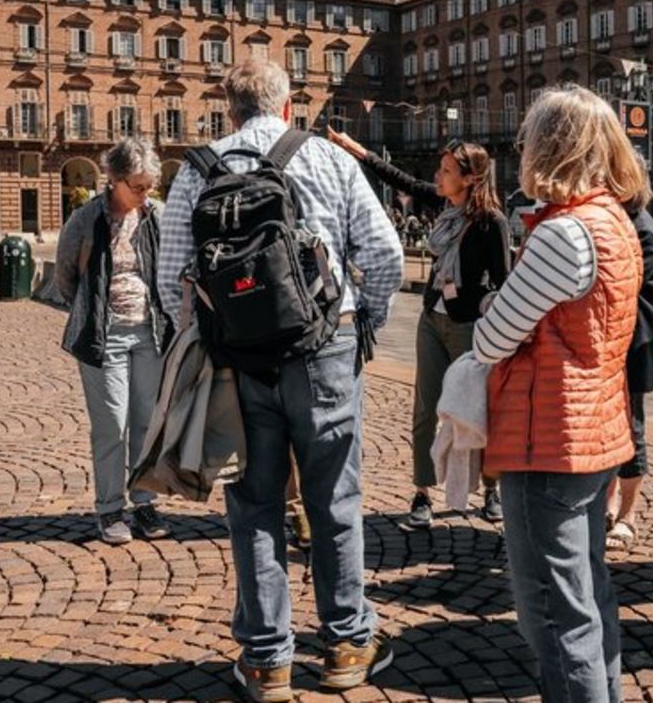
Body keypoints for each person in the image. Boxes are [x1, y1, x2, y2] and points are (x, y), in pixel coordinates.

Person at [158, 60, 403, 703]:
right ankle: (347, 645)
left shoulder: (196, 169)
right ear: (288, 106)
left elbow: (171, 278)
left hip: (237, 360)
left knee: (255, 504)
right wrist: (361, 322)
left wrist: (206, 337)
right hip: (324, 348)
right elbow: (384, 256)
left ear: (228, 110)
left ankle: (268, 662)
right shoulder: (326, 158)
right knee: (333, 500)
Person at [472, 85, 646, 703]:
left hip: (548, 437)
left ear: (546, 146)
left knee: (552, 611)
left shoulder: (563, 234)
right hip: (595, 428)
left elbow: (493, 336)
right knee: (587, 594)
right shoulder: (614, 222)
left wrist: (495, 303)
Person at [327, 126, 511, 527]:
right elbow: (399, 179)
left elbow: (504, 284)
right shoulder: (442, 207)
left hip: (469, 328)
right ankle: (422, 494)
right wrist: (356, 147)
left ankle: (492, 490)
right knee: (425, 409)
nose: (438, 177)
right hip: (431, 321)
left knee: (480, 410)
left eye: (446, 171)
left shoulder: (490, 223)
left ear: (468, 178)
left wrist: (474, 300)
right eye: (440, 170)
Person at [54, 137, 172, 546]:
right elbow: (65, 276)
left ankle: (144, 502)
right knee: (111, 425)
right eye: (137, 187)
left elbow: (170, 269)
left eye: (149, 186)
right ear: (114, 180)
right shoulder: (87, 219)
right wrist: (91, 311)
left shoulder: (156, 216)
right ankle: (109, 510)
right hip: (104, 335)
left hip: (150, 333)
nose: (145, 194)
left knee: (145, 421)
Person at [605, 201, 653, 552]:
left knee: (631, 430)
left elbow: (632, 292)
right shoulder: (624, 221)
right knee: (613, 431)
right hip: (615, 343)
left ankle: (628, 514)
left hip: (632, 344)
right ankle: (610, 505)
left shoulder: (641, 228)